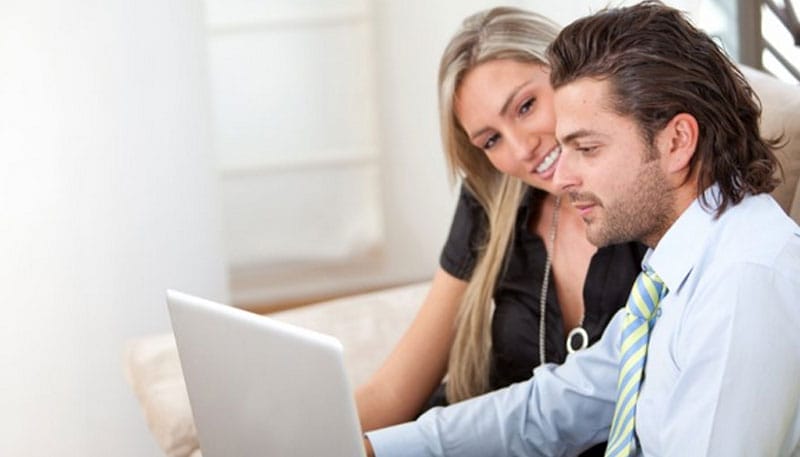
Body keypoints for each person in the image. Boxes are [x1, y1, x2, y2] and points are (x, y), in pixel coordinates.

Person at [363, 1, 800, 456]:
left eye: (587, 148)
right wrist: (374, 447)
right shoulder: (672, 267)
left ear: (676, 142)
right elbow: (557, 404)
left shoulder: (745, 285)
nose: (562, 179)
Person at [355, 8, 646, 454]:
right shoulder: (493, 195)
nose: (522, 149)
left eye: (526, 106)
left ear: (569, 67)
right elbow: (399, 387)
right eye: (490, 140)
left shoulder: (645, 196)